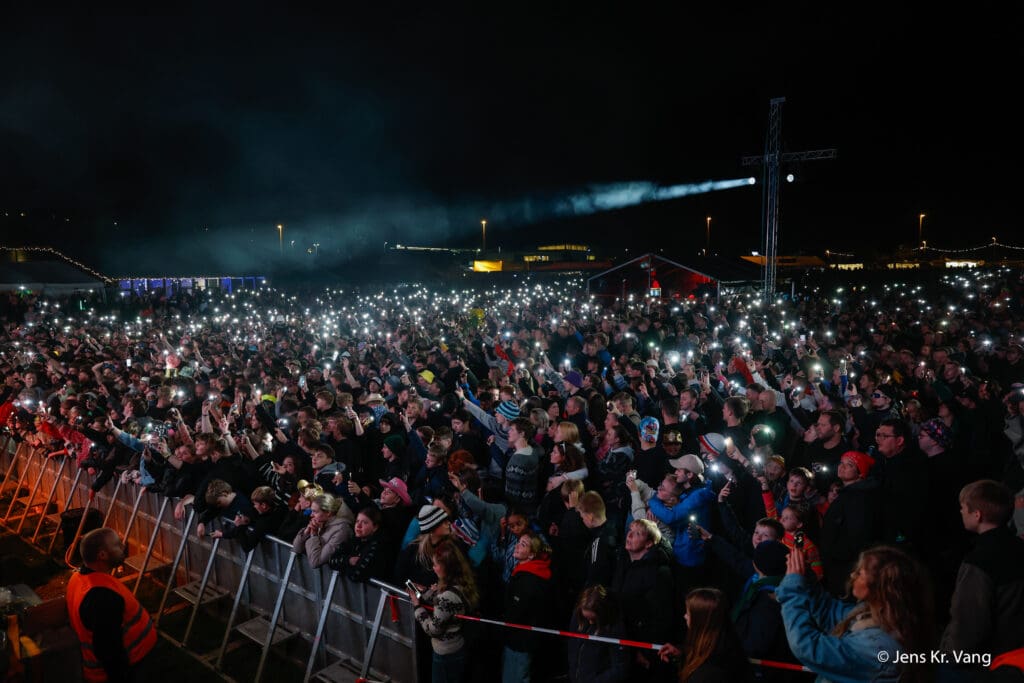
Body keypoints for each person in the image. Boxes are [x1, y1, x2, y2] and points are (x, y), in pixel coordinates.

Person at [777, 545, 934, 683]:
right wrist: (805, 577)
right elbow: (829, 612)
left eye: (860, 573)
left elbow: (807, 647)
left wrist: (792, 589)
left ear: (880, 589)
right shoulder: (876, 614)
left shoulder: (878, 647)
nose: (853, 575)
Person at [941, 480, 1024, 658]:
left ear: (977, 515)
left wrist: (949, 656)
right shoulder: (1018, 548)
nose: (961, 512)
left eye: (963, 507)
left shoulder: (978, 562)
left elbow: (969, 624)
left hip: (986, 661)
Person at [66, 527, 157, 682]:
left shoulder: (79, 578)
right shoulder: (101, 597)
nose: (123, 546)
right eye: (117, 545)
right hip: (130, 667)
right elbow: (108, 649)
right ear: (102, 555)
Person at [410, 538, 480, 683]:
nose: (433, 568)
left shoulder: (447, 596)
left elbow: (433, 629)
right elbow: (447, 607)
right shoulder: (461, 582)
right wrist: (425, 592)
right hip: (457, 648)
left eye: (436, 565)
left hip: (446, 654)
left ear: (446, 567)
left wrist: (417, 607)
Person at [657, 587, 751, 682]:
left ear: (701, 620)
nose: (685, 616)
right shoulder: (724, 643)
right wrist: (682, 654)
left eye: (688, 613)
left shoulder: (710, 671)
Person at [501, 531, 554, 683]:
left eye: (523, 545)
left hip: (520, 643)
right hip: (523, 641)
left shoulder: (528, 580)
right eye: (518, 542)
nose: (517, 546)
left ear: (531, 555)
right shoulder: (531, 572)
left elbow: (516, 612)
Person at [566, 586, 629, 683]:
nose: (590, 622)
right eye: (586, 618)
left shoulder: (614, 627)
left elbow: (620, 668)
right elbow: (572, 648)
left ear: (603, 612)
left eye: (594, 619)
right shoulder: (578, 616)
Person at [292, 492, 355, 568]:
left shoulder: (342, 530)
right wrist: (306, 533)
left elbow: (315, 562)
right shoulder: (319, 523)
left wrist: (314, 536)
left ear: (328, 513)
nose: (311, 515)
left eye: (315, 511)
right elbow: (296, 549)